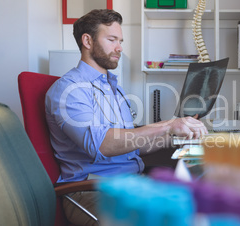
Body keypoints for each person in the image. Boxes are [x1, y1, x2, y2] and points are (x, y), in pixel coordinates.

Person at [45, 9, 207, 225]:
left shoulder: (114, 87)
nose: (120, 47)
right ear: (87, 40)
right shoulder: (69, 90)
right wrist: (169, 124)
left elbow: (131, 145)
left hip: (130, 185)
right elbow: (101, 144)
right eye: (112, 40)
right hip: (92, 192)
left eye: (120, 40)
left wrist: (177, 134)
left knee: (200, 206)